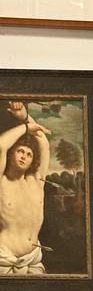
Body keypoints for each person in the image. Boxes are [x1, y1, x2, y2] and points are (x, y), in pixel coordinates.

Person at [0, 100, 51, 275]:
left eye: (29, 154)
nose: (24, 156)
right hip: (4, 259)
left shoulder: (36, 181)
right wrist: (25, 127)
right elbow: (1, 145)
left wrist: (26, 117)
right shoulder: (2, 181)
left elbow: (43, 142)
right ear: (11, 153)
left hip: (33, 259)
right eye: (20, 151)